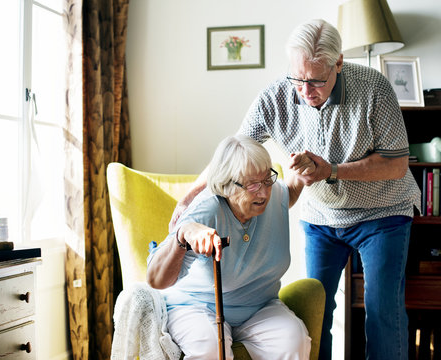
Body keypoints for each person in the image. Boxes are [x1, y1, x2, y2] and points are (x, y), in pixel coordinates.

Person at [170, 19, 421, 360]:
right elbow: (232, 154)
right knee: (315, 311)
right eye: (298, 78)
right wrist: (188, 196)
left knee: (381, 311)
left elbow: (396, 163)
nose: (305, 90)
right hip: (321, 217)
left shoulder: (374, 88)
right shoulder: (275, 97)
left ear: (339, 63)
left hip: (382, 212)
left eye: (316, 80)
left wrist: (331, 170)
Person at [147, 134, 314, 360]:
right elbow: (156, 280)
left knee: (294, 341)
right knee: (210, 350)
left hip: (259, 306)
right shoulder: (207, 210)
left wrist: (303, 171)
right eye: (253, 185)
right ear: (226, 186)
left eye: (267, 179)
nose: (264, 192)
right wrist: (183, 235)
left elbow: (288, 194)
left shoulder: (273, 195)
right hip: (197, 306)